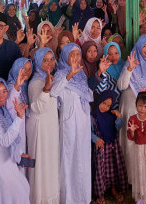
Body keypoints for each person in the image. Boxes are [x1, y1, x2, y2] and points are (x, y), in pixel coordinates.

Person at [51, 43, 92, 204]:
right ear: (65, 56)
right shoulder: (61, 73)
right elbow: (54, 92)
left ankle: (83, 197)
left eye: (77, 54)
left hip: (83, 121)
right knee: (69, 158)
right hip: (68, 123)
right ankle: (69, 198)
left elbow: (88, 96)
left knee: (82, 157)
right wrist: (69, 76)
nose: (75, 58)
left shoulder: (81, 75)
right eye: (71, 55)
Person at [116, 34, 146, 179]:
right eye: (144, 46)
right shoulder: (132, 61)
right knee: (131, 141)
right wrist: (129, 69)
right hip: (131, 108)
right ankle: (130, 176)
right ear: (138, 47)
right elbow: (121, 86)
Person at [26, 47, 60, 204]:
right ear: (38, 62)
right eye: (45, 60)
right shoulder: (35, 82)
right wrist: (46, 88)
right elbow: (37, 107)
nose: (49, 63)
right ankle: (40, 198)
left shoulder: (50, 77)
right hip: (40, 128)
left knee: (50, 161)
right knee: (41, 163)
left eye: (51, 59)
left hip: (50, 126)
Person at [91, 90, 127, 204]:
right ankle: (100, 194)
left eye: (108, 105)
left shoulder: (110, 115)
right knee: (101, 170)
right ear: (99, 101)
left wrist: (119, 118)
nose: (105, 107)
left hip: (112, 148)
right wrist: (95, 139)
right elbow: (87, 131)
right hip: (100, 149)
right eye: (104, 103)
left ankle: (113, 189)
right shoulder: (93, 116)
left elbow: (117, 128)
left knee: (112, 169)